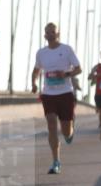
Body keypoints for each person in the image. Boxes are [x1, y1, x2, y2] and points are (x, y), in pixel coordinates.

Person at [32, 23, 81, 174]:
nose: (50, 34)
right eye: (47, 32)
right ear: (45, 35)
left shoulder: (66, 49)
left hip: (65, 93)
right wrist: (33, 83)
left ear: (58, 33)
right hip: (48, 94)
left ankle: (70, 129)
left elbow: (78, 69)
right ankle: (56, 161)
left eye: (53, 32)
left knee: (66, 131)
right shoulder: (41, 53)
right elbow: (36, 70)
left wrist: (65, 75)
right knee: (51, 124)